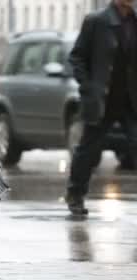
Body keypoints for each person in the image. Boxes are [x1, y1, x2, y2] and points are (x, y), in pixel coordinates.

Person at [66, 0, 137, 215]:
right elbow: (76, 57)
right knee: (88, 150)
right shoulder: (97, 21)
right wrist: (88, 88)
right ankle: (75, 195)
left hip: (131, 99)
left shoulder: (135, 21)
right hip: (102, 99)